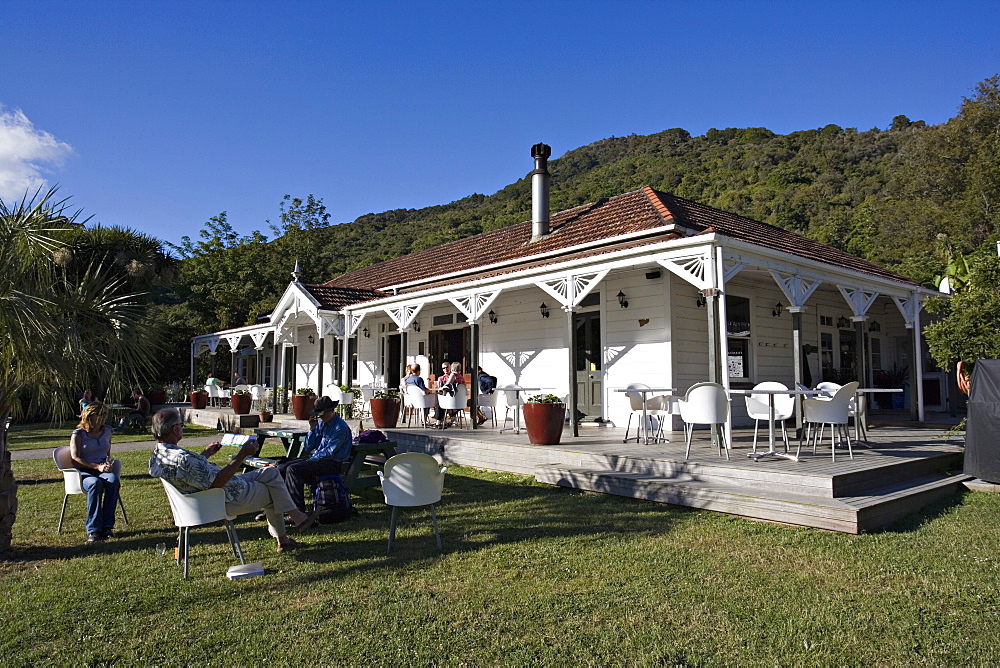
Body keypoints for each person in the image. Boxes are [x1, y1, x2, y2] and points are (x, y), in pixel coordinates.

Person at [149, 408, 316, 552]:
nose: (182, 428)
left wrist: (206, 455)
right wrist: (242, 455)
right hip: (223, 497)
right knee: (274, 491)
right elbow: (218, 482)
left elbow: (189, 474)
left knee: (271, 473)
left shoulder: (161, 454)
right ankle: (289, 533)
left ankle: (296, 519)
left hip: (203, 497)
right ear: (173, 429)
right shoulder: (183, 458)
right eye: (180, 425)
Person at [276, 396, 353, 513]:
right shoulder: (322, 424)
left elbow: (329, 452)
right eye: (319, 414)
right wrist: (312, 428)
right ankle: (282, 508)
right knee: (282, 467)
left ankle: (297, 512)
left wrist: (310, 460)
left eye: (323, 413)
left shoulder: (340, 427)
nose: (321, 416)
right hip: (318, 459)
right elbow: (308, 447)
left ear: (332, 410)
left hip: (333, 462)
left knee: (293, 470)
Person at [69, 402, 120, 542]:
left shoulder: (108, 431)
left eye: (105, 414)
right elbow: (75, 458)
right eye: (100, 414)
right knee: (95, 484)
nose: (103, 417)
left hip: (102, 469)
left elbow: (107, 453)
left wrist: (107, 464)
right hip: (84, 472)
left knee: (113, 481)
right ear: (90, 416)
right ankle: (93, 530)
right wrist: (96, 467)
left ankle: (107, 527)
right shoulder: (78, 434)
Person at [432, 361, 466, 428]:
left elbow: (446, 385)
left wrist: (441, 388)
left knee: (440, 399)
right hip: (461, 401)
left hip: (453, 400)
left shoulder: (453, 375)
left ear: (451, 368)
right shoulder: (461, 377)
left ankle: (438, 421)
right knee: (442, 398)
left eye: (447, 367)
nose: (445, 369)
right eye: (443, 368)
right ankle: (443, 420)